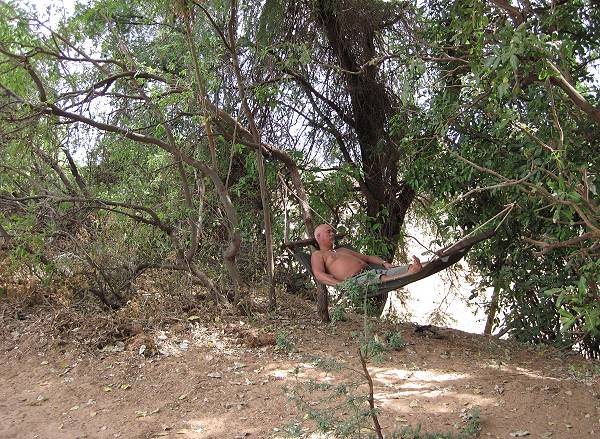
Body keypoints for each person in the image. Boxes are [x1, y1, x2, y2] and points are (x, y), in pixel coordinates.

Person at [310, 223, 422, 287]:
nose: (332, 234)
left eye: (332, 231)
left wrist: (385, 263)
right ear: (318, 236)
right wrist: (340, 285)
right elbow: (319, 275)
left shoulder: (342, 250)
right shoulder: (318, 254)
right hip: (356, 280)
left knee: (407, 267)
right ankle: (410, 273)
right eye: (328, 232)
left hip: (374, 272)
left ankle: (412, 269)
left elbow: (368, 258)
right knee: (381, 277)